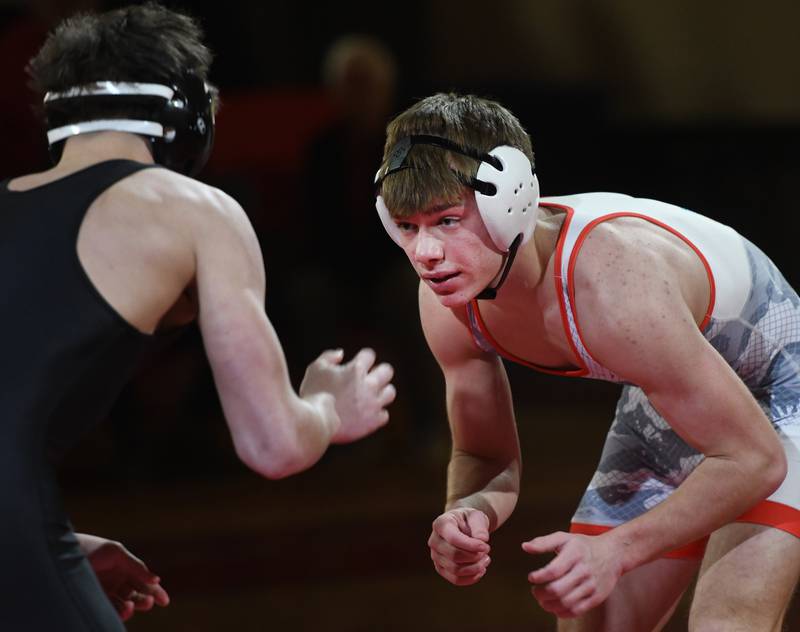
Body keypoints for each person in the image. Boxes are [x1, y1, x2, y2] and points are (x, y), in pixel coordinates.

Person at [1, 3, 395, 631]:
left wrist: (61, 546)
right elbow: (272, 445)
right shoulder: (193, 209)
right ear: (186, 111)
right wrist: (327, 408)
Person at [373, 92, 800, 630]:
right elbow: (485, 455)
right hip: (677, 391)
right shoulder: (444, 302)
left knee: (727, 623)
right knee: (590, 623)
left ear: (509, 201)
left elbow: (756, 459)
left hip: (780, 390)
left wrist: (619, 549)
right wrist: (468, 511)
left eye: (447, 221)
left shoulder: (611, 284)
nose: (425, 254)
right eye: (407, 227)